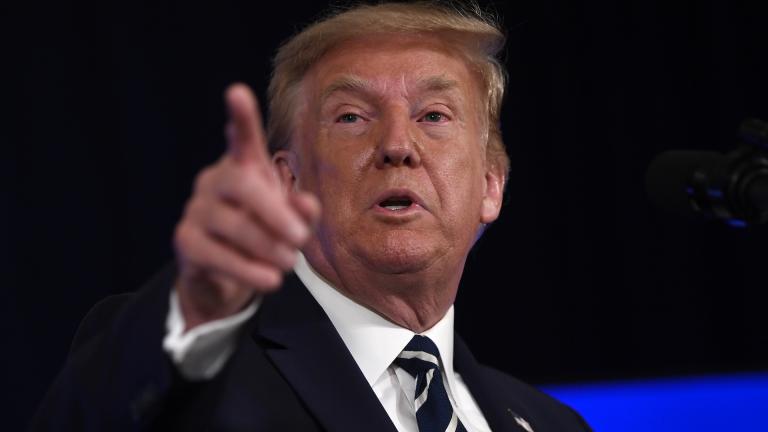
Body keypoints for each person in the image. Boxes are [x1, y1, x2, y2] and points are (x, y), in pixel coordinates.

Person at [33, 2, 591, 431]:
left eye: (434, 115)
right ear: (288, 181)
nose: (397, 145)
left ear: (491, 185)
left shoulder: (551, 423)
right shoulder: (199, 371)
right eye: (351, 117)